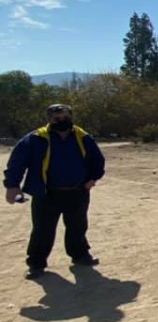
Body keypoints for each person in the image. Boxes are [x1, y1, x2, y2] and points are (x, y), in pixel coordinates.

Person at [3, 104, 105, 280]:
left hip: (77, 191)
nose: (61, 121)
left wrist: (93, 179)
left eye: (65, 117)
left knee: (77, 226)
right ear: (49, 119)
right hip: (46, 194)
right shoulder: (36, 139)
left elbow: (97, 159)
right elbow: (17, 162)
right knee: (42, 230)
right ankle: (36, 264)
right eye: (56, 118)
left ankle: (80, 255)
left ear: (71, 117)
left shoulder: (83, 137)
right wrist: (12, 186)